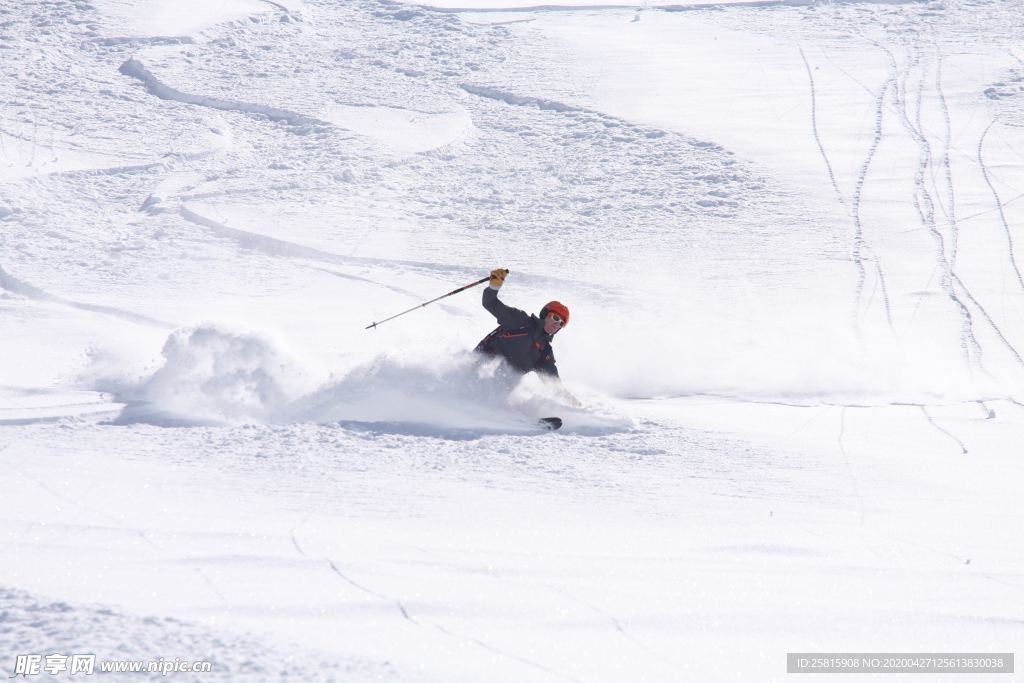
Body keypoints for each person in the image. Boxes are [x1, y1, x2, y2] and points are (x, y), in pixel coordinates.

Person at [474, 268, 569, 380]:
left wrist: (566, 398)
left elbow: (553, 384)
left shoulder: (544, 352)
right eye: (555, 317)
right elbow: (490, 303)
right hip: (476, 368)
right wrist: (494, 287)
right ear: (545, 314)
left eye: (561, 323)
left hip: (498, 389)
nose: (557, 324)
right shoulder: (520, 321)